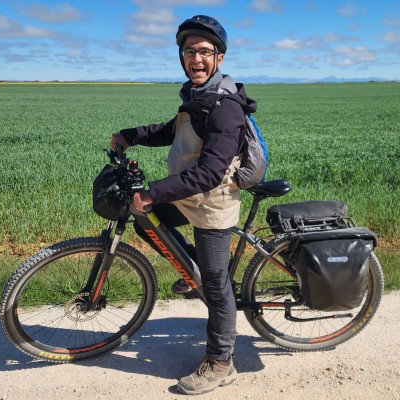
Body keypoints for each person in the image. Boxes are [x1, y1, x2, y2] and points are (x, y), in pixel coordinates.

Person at [110, 15, 257, 395]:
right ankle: (195, 271)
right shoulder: (197, 96)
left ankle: (222, 362)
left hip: (211, 203)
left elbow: (209, 174)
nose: (197, 58)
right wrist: (130, 136)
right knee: (147, 220)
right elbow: (170, 131)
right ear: (182, 55)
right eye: (189, 50)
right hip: (189, 195)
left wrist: (155, 191)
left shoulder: (225, 108)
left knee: (216, 282)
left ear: (219, 58)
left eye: (205, 51)